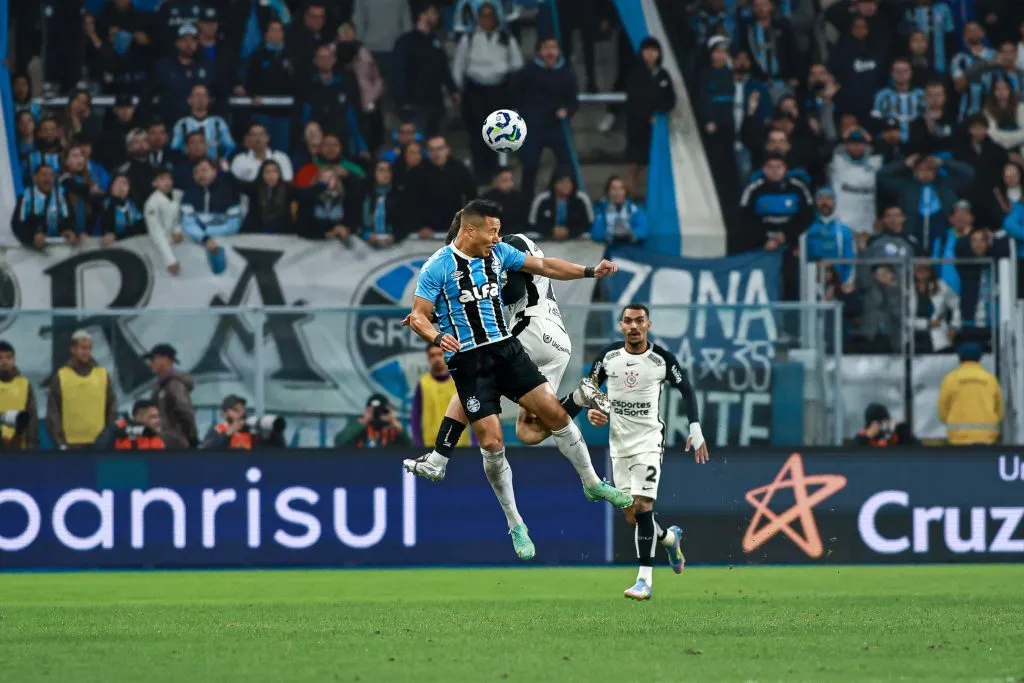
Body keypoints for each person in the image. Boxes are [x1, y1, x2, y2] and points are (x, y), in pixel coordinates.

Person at [403, 200, 632, 560]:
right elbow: (418, 315)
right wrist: (436, 335)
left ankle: (593, 484)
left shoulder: (499, 253)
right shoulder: (437, 266)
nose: (497, 237)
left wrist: (590, 271)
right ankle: (516, 524)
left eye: (499, 230)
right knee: (493, 442)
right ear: (470, 230)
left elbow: (545, 266)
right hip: (470, 361)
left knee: (554, 415)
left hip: (507, 349)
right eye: (492, 231)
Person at [585, 304, 708, 601]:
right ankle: (669, 538)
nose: (634, 326)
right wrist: (593, 410)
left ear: (648, 325)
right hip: (619, 446)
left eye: (639, 321)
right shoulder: (608, 357)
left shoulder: (661, 359)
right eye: (628, 321)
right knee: (632, 514)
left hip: (649, 442)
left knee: (642, 506)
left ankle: (644, 580)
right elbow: (591, 388)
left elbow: (687, 389)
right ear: (621, 325)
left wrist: (695, 428)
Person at [514, 37, 579, 198]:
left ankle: (569, 200)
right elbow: (516, 95)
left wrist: (567, 110)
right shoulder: (526, 72)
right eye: (546, 48)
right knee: (530, 165)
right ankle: (527, 202)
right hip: (533, 127)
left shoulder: (567, 73)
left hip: (557, 126)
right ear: (539, 50)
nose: (550, 52)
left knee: (567, 165)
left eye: (554, 48)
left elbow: (573, 101)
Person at [46, 331, 117, 450]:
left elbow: (112, 407)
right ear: (73, 349)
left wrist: (109, 436)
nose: (86, 352)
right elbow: (53, 413)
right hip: (71, 444)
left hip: (100, 443)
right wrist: (60, 442)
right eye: (83, 348)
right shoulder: (61, 376)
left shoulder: (102, 374)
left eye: (89, 348)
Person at [624, 36, 677, 195]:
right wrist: (647, 115)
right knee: (634, 165)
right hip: (637, 127)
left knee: (653, 163)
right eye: (647, 50)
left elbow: (670, 99)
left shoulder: (663, 74)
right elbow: (633, 100)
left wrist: (659, 112)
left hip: (657, 128)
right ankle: (630, 195)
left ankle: (652, 196)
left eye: (654, 51)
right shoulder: (635, 73)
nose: (651, 54)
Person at [938, 343, 1003, 445]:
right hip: (987, 438)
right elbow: (999, 410)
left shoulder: (950, 379)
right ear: (980, 358)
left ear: (959, 358)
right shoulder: (990, 379)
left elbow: (942, 412)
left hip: (958, 438)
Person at [410, 345, 471, 449]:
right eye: (432, 355)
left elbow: (473, 413)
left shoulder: (459, 381)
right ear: (428, 358)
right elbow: (415, 416)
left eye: (440, 354)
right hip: (431, 446)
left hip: (460, 445)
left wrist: (475, 442)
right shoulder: (423, 384)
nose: (437, 358)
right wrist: (418, 443)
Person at [145, 343, 197, 449]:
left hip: (174, 445)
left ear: (165, 359)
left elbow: (185, 412)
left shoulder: (174, 384)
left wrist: (191, 439)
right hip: (162, 443)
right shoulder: (160, 386)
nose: (150, 364)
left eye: (153, 359)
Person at [12, 164, 75, 249]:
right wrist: (32, 237)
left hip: (58, 244)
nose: (48, 179)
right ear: (35, 178)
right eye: (44, 175)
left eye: (51, 175)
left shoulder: (61, 194)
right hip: (32, 247)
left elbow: (69, 217)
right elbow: (17, 224)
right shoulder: (26, 197)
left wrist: (69, 230)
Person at [527, 167, 594, 241]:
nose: (566, 185)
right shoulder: (542, 199)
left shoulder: (581, 198)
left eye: (569, 182)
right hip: (546, 240)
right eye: (562, 182)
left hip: (574, 240)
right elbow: (532, 223)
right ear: (554, 183)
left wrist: (568, 231)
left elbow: (589, 223)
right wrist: (551, 230)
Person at [170, 84, 235, 160]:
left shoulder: (218, 123)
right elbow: (174, 148)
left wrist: (223, 160)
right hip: (189, 163)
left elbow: (230, 146)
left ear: (208, 100)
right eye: (197, 95)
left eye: (204, 95)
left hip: (213, 163)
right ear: (189, 100)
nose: (201, 99)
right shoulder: (182, 124)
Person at [201, 395, 283, 450]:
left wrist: (273, 432)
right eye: (236, 410)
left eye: (243, 409)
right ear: (225, 414)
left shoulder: (252, 432)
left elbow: (277, 448)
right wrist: (228, 433)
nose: (241, 413)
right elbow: (206, 449)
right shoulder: (217, 430)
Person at [0, 341, 39, 449]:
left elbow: (31, 417)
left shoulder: (24, 384)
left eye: (8, 357)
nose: (4, 361)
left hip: (20, 446)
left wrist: (32, 444)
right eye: (0, 358)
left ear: (14, 359)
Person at [145, 168, 184, 276]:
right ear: (154, 183)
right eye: (162, 179)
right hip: (161, 249)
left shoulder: (178, 194)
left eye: (169, 178)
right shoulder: (151, 204)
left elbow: (180, 216)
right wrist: (170, 260)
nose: (167, 182)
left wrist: (177, 230)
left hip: (179, 241)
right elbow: (156, 232)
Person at [335, 394, 412, 448]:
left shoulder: (393, 428)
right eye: (374, 411)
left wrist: (395, 423)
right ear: (367, 410)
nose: (377, 413)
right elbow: (339, 443)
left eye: (382, 410)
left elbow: (411, 449)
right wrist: (364, 421)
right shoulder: (358, 426)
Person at [590, 176, 648, 245]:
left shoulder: (634, 209)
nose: (617, 192)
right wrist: (611, 235)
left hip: (631, 246)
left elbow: (644, 230)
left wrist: (630, 234)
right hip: (610, 247)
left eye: (621, 189)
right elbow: (596, 234)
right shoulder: (601, 210)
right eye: (614, 189)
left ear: (625, 191)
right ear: (608, 192)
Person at [94, 400, 166, 450]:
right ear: (139, 416)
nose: (158, 421)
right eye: (152, 417)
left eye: (158, 417)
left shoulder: (155, 438)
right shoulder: (119, 427)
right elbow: (100, 447)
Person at [852, 403, 917, 446]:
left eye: (885, 422)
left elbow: (917, 451)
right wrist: (865, 438)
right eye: (878, 423)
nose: (882, 426)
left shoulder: (895, 435)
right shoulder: (863, 437)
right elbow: (852, 453)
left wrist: (904, 433)